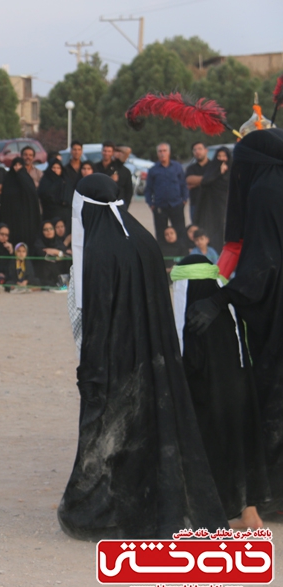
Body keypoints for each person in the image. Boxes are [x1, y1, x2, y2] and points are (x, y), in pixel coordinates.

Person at [58, 173, 227, 541]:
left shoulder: (100, 252)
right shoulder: (144, 240)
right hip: (153, 361)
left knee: (109, 437)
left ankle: (96, 513)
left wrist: (92, 372)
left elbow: (94, 319)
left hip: (114, 365)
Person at [188, 129, 283, 513]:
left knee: (272, 393)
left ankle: (272, 494)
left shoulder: (264, 193)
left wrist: (221, 299)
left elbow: (266, 265)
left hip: (276, 313)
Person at [171, 255, 269, 528]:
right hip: (239, 392)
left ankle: (211, 518)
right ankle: (250, 513)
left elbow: (186, 361)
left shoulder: (194, 310)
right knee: (241, 444)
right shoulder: (224, 303)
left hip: (209, 401)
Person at [144, 142, 188, 243]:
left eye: (164, 151)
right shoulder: (153, 170)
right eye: (160, 151)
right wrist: (151, 204)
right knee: (160, 233)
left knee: (180, 231)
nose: (162, 153)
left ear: (169, 152)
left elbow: (183, 184)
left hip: (176, 204)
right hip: (160, 206)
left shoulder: (177, 167)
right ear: (157, 153)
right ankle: (163, 255)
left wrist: (184, 200)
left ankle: (181, 254)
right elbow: (148, 189)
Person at [0, 157, 41, 249]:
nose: (17, 167)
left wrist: (21, 177)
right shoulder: (8, 179)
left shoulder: (27, 179)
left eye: (20, 165)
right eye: (15, 165)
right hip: (11, 217)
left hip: (26, 217)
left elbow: (32, 196)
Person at [197, 146, 230, 247]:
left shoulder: (232, 169)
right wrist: (219, 173)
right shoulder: (212, 168)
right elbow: (205, 181)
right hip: (212, 206)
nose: (221, 159)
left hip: (226, 204)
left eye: (224, 156)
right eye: (219, 156)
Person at [92, 141, 133, 213]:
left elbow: (128, 150)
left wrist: (126, 206)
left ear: (113, 152)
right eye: (104, 151)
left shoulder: (117, 165)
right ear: (101, 151)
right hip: (99, 205)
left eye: (109, 151)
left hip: (116, 206)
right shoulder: (96, 167)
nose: (106, 153)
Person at [32, 220, 66, 287]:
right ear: (42, 232)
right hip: (43, 276)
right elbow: (43, 255)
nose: (49, 231)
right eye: (46, 229)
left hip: (59, 273)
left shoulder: (59, 242)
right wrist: (59, 255)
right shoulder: (38, 243)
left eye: (51, 229)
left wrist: (56, 252)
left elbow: (65, 255)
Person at [38, 158, 69, 224]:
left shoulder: (65, 181)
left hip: (64, 215)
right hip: (49, 214)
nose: (56, 170)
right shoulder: (45, 181)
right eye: (54, 167)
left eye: (58, 168)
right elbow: (43, 194)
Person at [185, 141, 210, 223]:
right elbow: (189, 180)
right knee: (196, 231)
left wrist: (196, 183)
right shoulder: (190, 168)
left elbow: (218, 181)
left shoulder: (213, 166)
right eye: (194, 150)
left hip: (211, 204)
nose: (197, 152)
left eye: (200, 149)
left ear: (206, 150)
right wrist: (209, 180)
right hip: (195, 204)